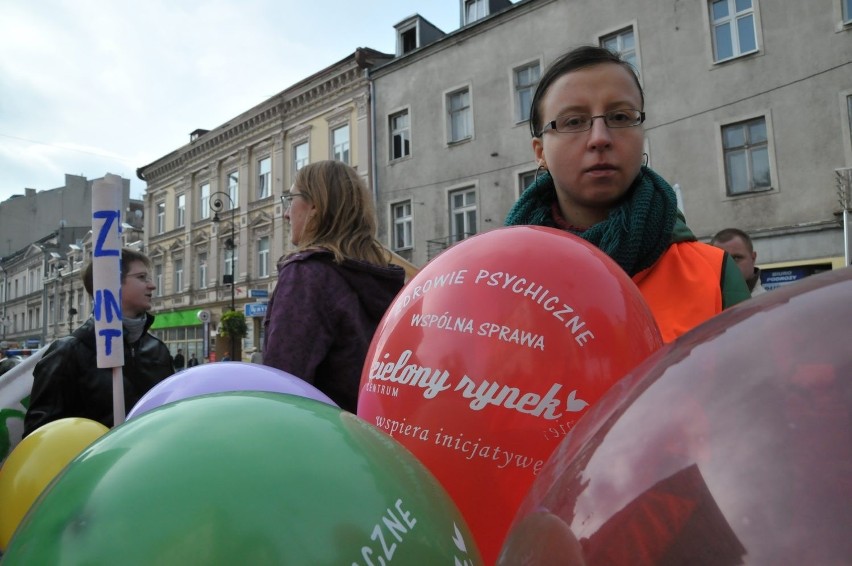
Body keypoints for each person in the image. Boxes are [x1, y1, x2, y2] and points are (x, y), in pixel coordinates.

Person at [505, 45, 749, 342]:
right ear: (540, 152)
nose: (599, 138)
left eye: (620, 117)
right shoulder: (498, 278)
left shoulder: (713, 274)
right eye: (573, 121)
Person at [263, 160, 405, 412]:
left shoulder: (306, 274)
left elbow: (282, 384)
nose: (286, 213)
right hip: (370, 439)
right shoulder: (381, 279)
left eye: (291, 199)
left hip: (320, 441)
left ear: (315, 205)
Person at [24, 248, 174, 435]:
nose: (152, 285)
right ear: (111, 283)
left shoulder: (157, 350)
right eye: (142, 277)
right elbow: (40, 432)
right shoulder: (69, 351)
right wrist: (97, 440)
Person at [710, 228, 766, 296]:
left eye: (736, 258)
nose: (729, 266)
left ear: (753, 258)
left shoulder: (769, 305)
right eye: (722, 260)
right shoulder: (705, 301)